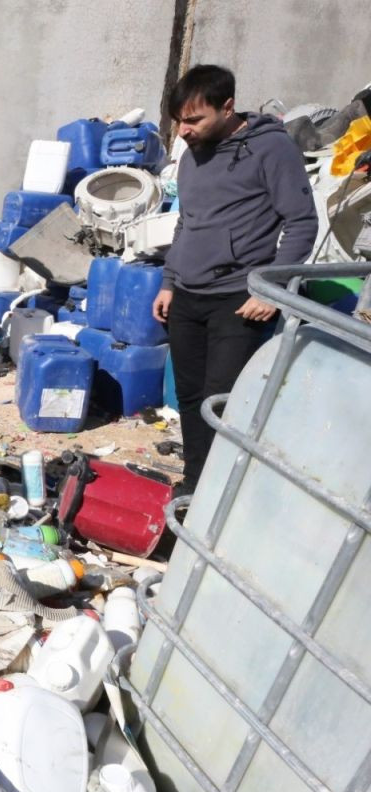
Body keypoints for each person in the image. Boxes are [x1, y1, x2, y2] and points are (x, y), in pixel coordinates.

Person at [151, 66, 317, 494]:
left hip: (237, 299)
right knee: (188, 397)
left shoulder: (271, 149)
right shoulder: (191, 156)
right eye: (179, 122)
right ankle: (194, 485)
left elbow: (300, 222)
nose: (183, 131)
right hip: (187, 295)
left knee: (220, 400)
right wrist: (169, 280)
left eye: (193, 120)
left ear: (227, 107)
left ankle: (224, 491)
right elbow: (186, 222)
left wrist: (273, 288)